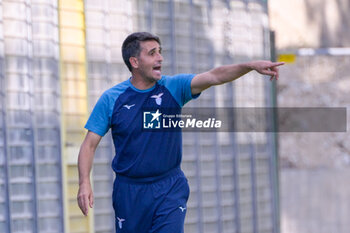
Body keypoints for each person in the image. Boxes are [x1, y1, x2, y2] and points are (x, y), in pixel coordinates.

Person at [77, 31, 284, 232]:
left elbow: (214, 76)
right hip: (130, 192)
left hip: (169, 187)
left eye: (159, 51)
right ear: (134, 62)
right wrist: (84, 182)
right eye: (152, 53)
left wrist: (249, 66)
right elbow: (89, 145)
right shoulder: (112, 99)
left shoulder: (173, 88)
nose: (160, 58)